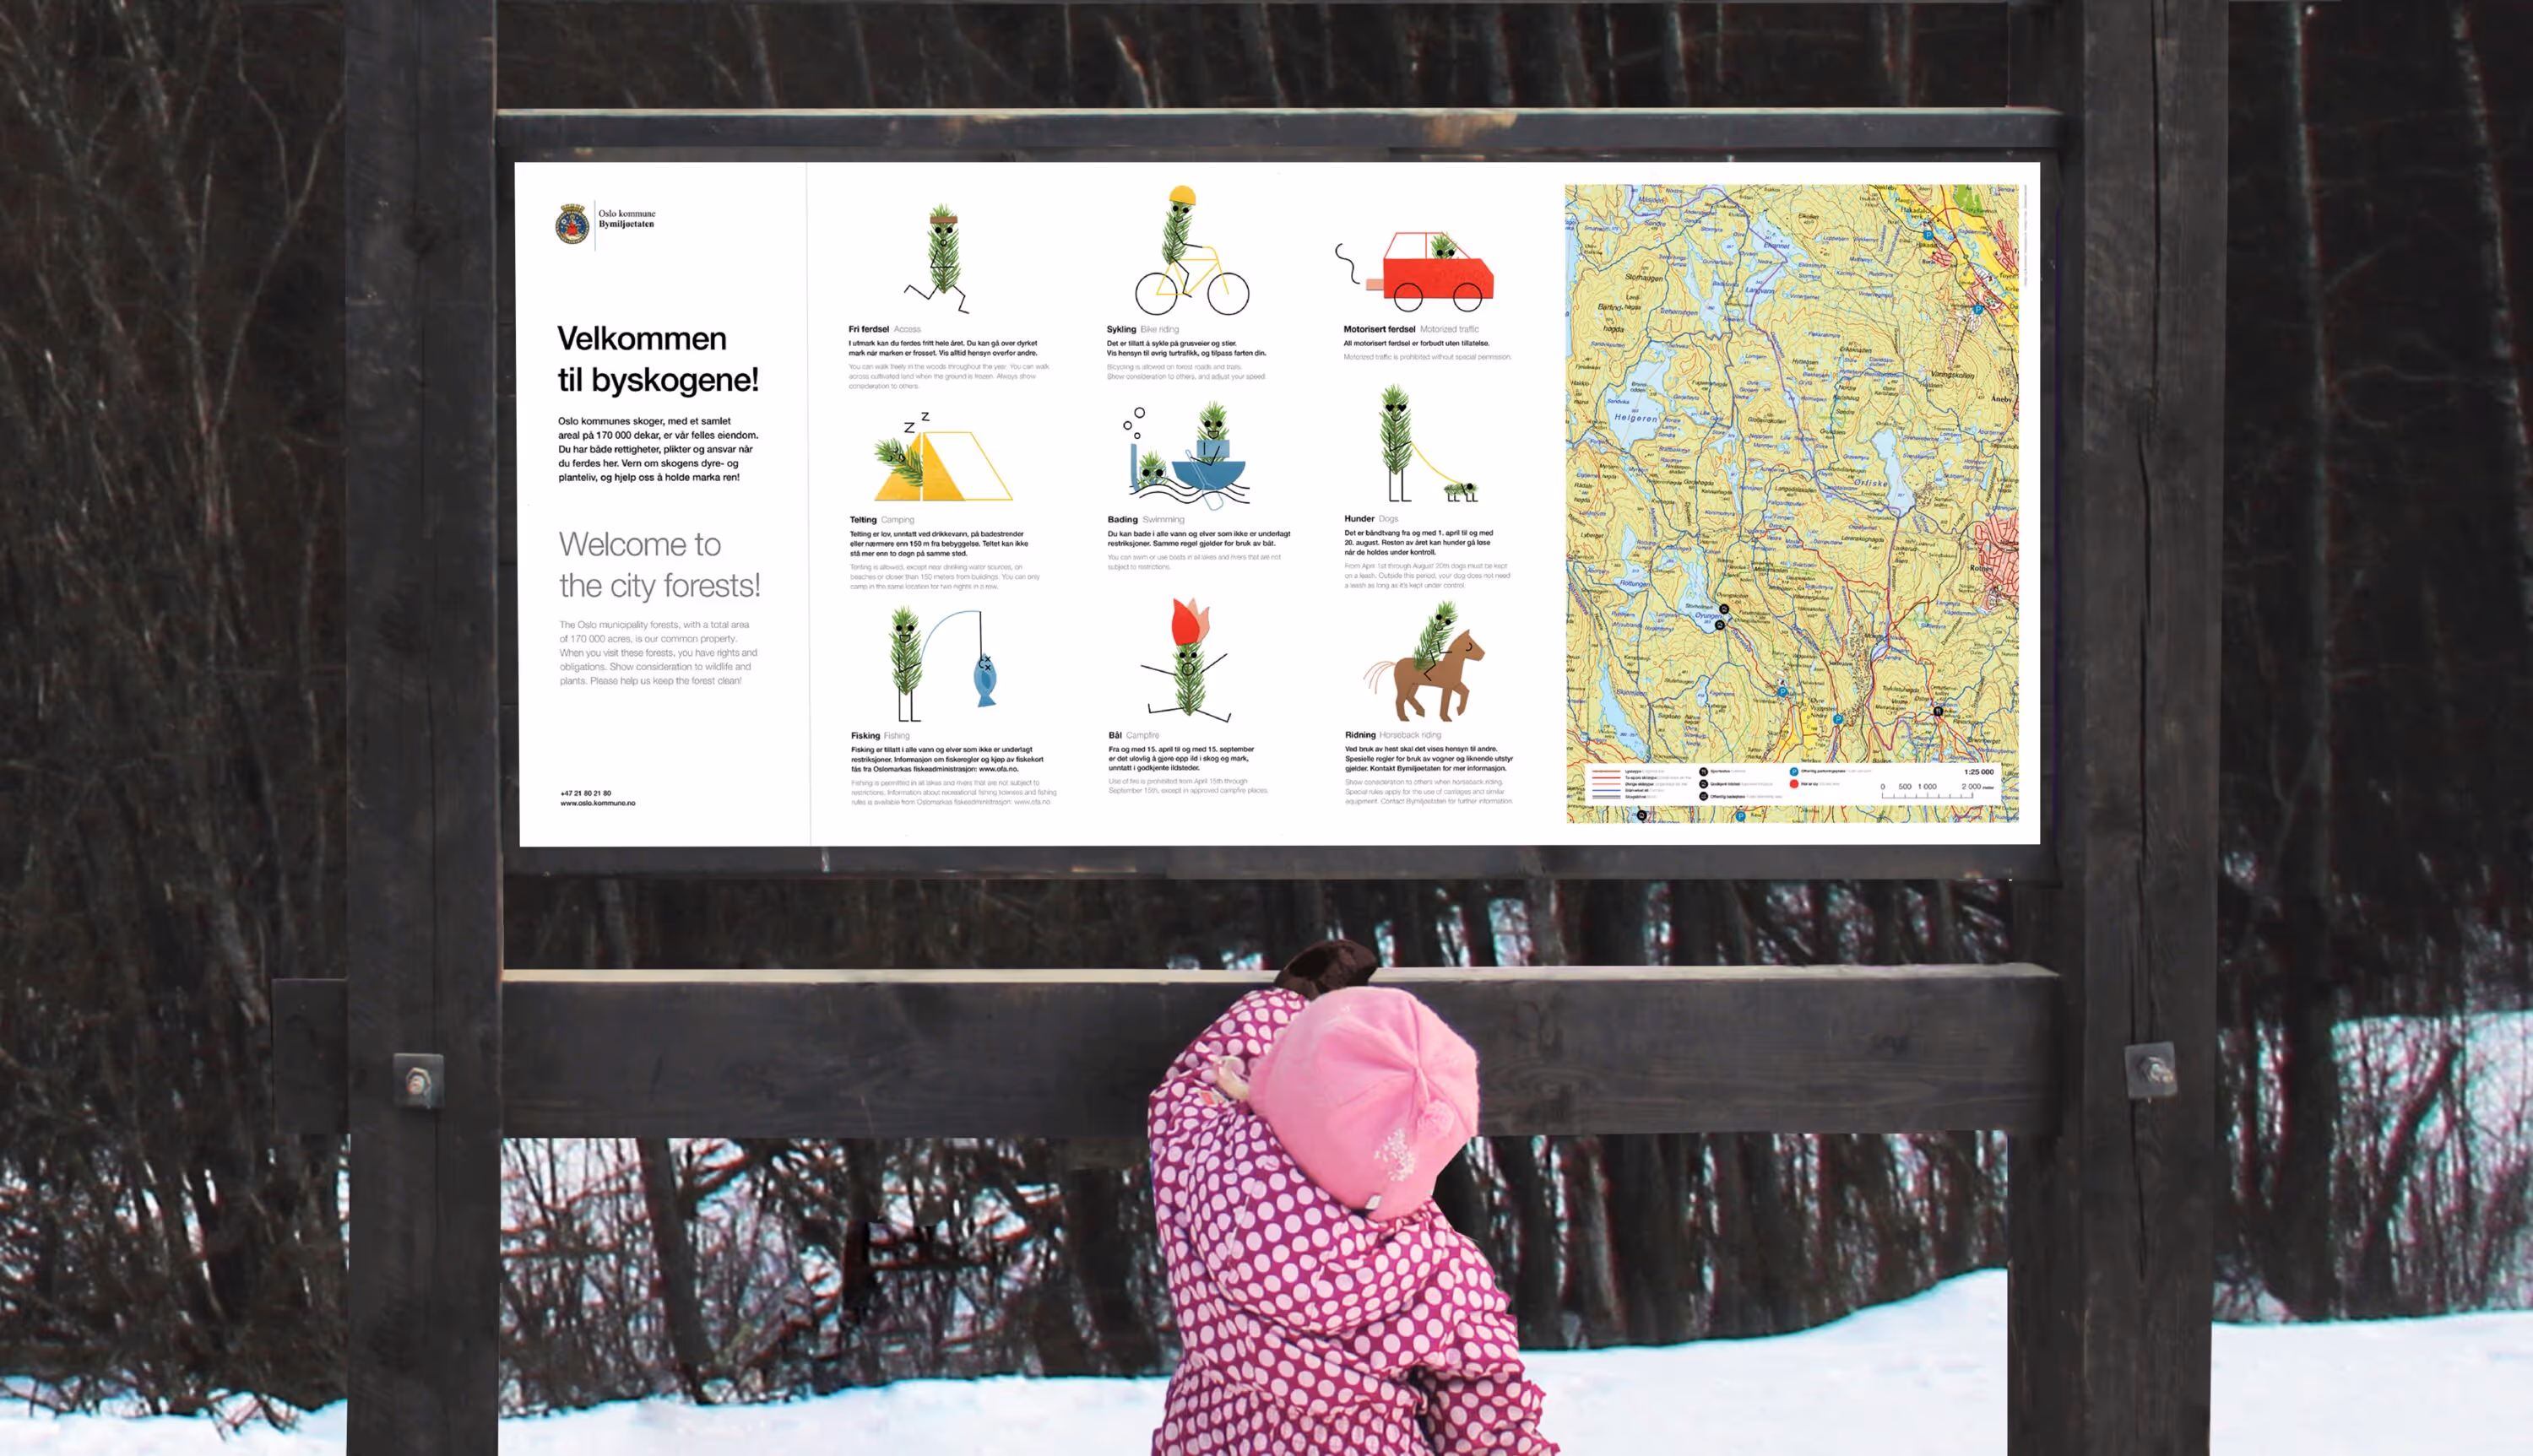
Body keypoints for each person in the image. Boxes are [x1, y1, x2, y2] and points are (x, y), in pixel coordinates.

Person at [1147, 941, 1558, 1455]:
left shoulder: (1203, 1167)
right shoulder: (1440, 1270)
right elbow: (1488, 1413)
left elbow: (1193, 1084)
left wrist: (1286, 1003)